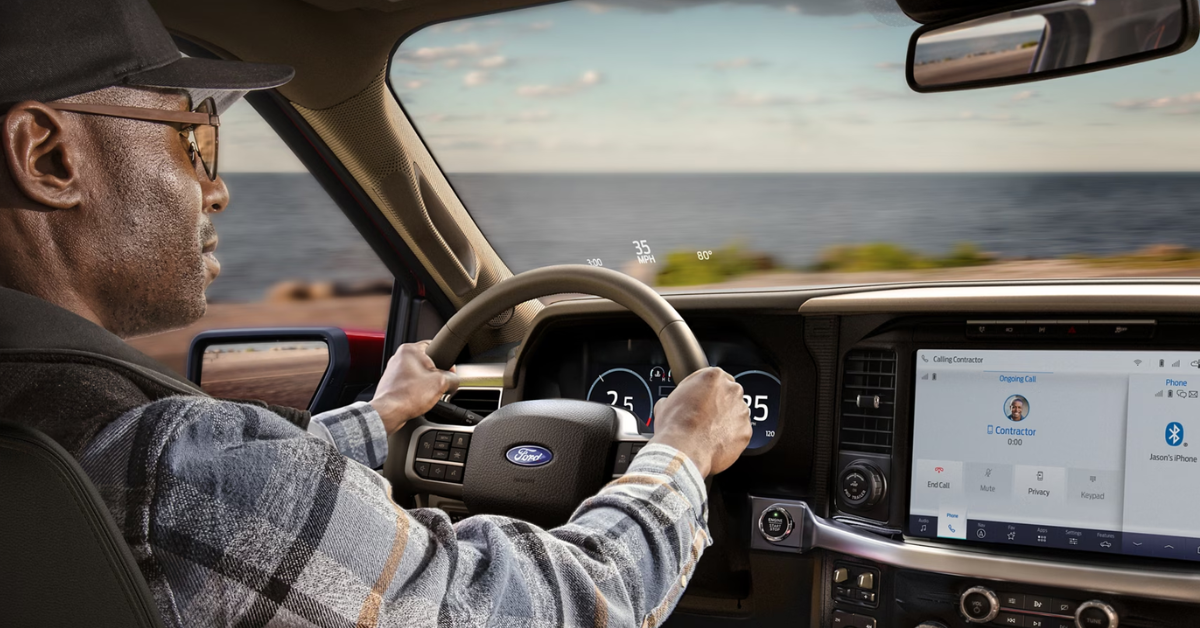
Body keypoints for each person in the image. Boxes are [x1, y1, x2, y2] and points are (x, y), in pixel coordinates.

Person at [0, 1, 753, 627]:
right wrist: (682, 453)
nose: (217, 189)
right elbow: (562, 603)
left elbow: (236, 496)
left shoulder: (90, 444)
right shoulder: (181, 470)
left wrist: (381, 414)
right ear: (48, 157)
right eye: (195, 137)